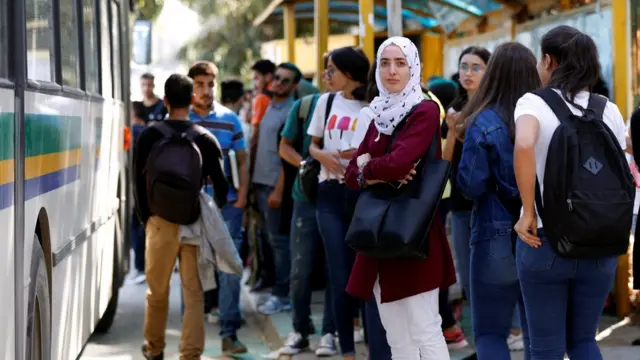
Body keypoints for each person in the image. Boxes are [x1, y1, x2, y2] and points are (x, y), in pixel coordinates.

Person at [513, 25, 628, 359]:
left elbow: (523, 144)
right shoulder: (608, 108)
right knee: (584, 342)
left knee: (546, 347)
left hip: (545, 241)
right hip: (600, 241)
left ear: (549, 61)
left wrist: (528, 211)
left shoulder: (533, 102)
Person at [343, 36, 456, 360]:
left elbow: (399, 163)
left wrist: (369, 167)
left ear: (413, 68)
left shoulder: (423, 109)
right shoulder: (377, 112)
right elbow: (351, 174)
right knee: (396, 335)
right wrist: (373, 172)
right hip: (378, 237)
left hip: (412, 232)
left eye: (400, 63)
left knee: (425, 328)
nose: (392, 71)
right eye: (385, 63)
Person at [133, 74, 228, 360]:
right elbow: (222, 186)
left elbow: (138, 182)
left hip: (159, 221)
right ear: (191, 100)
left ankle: (154, 349)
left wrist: (146, 218)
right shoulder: (204, 137)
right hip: (193, 222)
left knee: (157, 291)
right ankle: (190, 354)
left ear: (164, 101)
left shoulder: (150, 135)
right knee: (194, 294)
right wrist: (210, 213)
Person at [456, 42, 540, 359]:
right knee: (537, 331)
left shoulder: (484, 120)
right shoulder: (543, 117)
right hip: (540, 233)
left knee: (491, 334)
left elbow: (471, 185)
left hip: (494, 234)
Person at [307, 46, 370, 360]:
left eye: (331, 70)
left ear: (350, 73)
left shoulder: (374, 104)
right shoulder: (326, 101)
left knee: (367, 272)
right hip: (329, 193)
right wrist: (323, 156)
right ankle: (346, 349)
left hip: (363, 195)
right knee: (339, 272)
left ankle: (372, 341)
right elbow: (312, 145)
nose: (326, 76)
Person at [276, 54, 338, 356]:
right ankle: (300, 330)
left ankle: (330, 332)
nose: (331, 75)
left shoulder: (363, 106)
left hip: (341, 199)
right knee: (300, 269)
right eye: (328, 70)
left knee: (333, 268)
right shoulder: (305, 106)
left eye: (336, 70)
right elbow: (284, 145)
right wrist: (305, 164)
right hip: (306, 198)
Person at [187, 61, 250, 355]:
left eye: (210, 84)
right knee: (192, 271)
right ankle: (192, 342)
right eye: (199, 84)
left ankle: (229, 334)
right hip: (190, 206)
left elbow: (241, 159)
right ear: (190, 87)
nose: (206, 90)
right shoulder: (179, 118)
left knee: (230, 269)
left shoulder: (230, 119)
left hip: (227, 205)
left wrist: (242, 198)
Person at [253, 62, 303, 314]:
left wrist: (279, 190)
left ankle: (283, 295)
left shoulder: (291, 111)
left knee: (280, 242)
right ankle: (277, 290)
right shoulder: (270, 106)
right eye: (277, 78)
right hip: (261, 184)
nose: (279, 84)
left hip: (276, 186)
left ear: (294, 86)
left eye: (285, 81)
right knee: (270, 241)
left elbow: (287, 155)